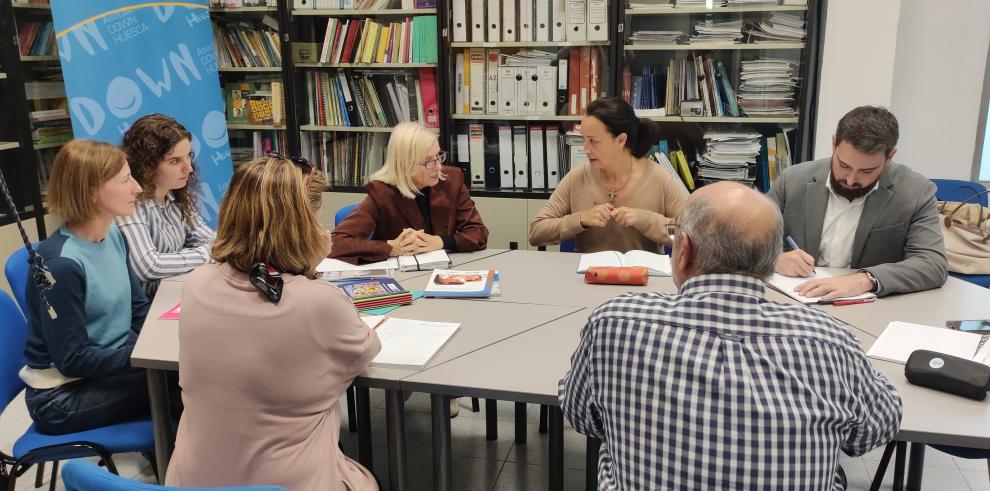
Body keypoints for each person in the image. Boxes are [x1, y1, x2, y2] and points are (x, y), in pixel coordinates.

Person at [559, 181, 902, 489]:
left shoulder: (615, 323)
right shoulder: (832, 342)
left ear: (684, 251)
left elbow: (580, 416)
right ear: (771, 261)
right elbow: (873, 430)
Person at [166, 156, 380, 490]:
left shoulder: (196, 284)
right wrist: (311, 262)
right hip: (288, 483)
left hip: (194, 481)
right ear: (305, 225)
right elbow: (365, 351)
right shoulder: (320, 301)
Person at [21, 140, 160, 435]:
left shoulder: (112, 236)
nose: (137, 188)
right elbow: (73, 360)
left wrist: (165, 340)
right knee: (182, 384)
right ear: (91, 192)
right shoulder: (60, 265)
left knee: (183, 378)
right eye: (125, 180)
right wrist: (148, 354)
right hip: (60, 397)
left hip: (102, 373)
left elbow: (137, 308)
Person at [768, 106, 947, 298]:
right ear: (834, 144)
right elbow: (743, 241)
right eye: (844, 165)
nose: (851, 179)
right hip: (797, 299)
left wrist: (866, 279)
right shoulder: (793, 180)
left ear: (890, 157)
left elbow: (933, 263)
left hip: (868, 307)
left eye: (866, 171)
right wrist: (774, 259)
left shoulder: (916, 192)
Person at [529, 96, 688, 253]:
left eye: (593, 141)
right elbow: (536, 232)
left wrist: (645, 220)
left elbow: (691, 234)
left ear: (621, 140)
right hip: (589, 277)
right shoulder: (577, 177)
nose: (585, 149)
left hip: (643, 276)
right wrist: (581, 219)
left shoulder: (658, 177)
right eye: (583, 139)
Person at [330, 122, 488, 264]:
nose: (439, 167)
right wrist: (391, 247)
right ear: (407, 164)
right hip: (401, 279)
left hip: (447, 272)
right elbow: (336, 242)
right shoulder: (382, 192)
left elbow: (478, 232)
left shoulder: (451, 180)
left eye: (439, 156)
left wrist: (440, 242)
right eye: (429, 161)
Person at [116, 113, 215, 299]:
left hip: (175, 295)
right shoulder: (130, 203)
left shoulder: (175, 195)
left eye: (188, 157)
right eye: (175, 161)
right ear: (147, 165)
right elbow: (147, 266)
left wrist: (200, 253)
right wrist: (205, 255)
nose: (189, 168)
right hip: (145, 311)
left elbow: (212, 241)